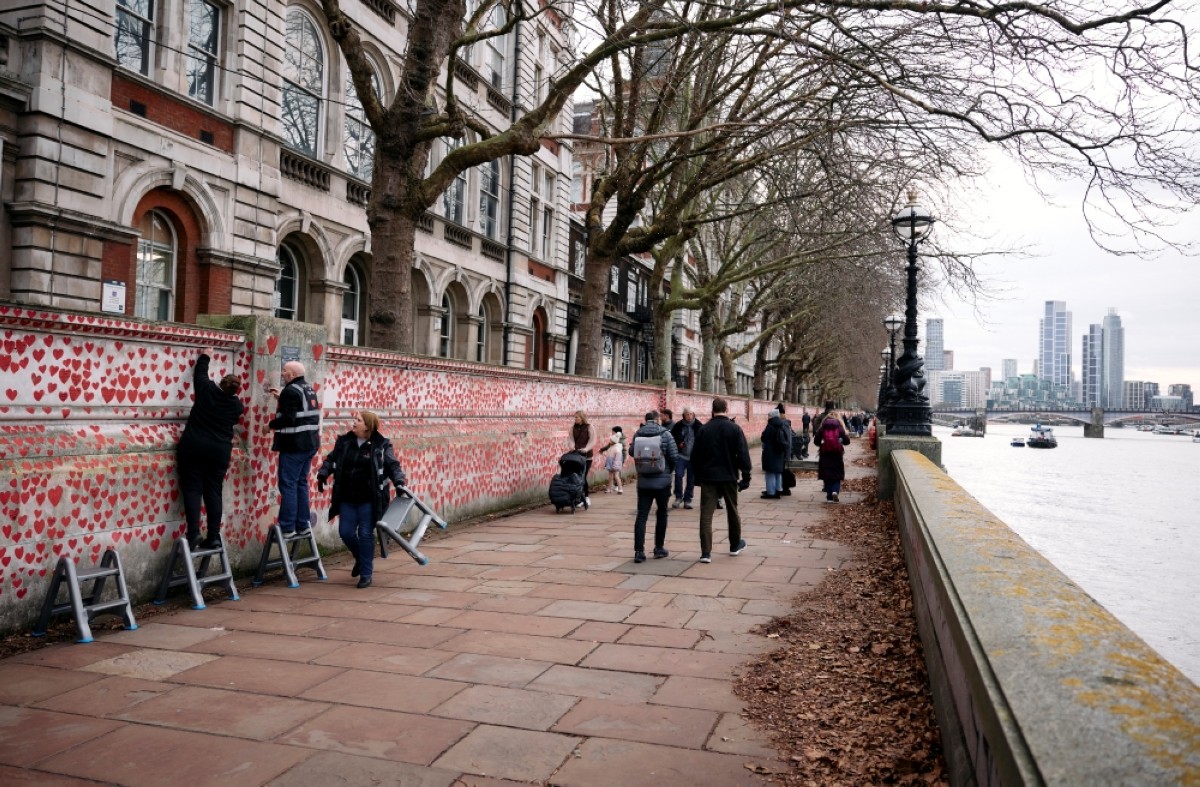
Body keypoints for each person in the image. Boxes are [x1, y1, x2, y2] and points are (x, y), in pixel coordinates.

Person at [316, 411, 406, 588]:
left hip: (369, 499)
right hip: (347, 498)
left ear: (368, 426)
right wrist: (323, 473)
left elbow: (392, 464)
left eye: (358, 420)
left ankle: (366, 573)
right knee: (346, 532)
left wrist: (399, 481)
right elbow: (332, 459)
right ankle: (361, 557)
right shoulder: (344, 442)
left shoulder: (381, 445)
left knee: (365, 534)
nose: (354, 422)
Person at [177, 348, 245, 550]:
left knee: (192, 489)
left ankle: (193, 533)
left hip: (194, 447)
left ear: (221, 382)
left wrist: (206, 355)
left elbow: (200, 373)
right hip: (219, 452)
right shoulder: (237, 407)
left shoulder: (206, 390)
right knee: (214, 492)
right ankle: (214, 536)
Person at [691, 397, 752, 563]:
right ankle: (734, 544)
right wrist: (746, 476)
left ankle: (705, 552)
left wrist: (697, 477)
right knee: (732, 509)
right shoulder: (734, 429)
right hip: (729, 475)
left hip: (708, 476)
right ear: (726, 408)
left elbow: (695, 456)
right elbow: (743, 454)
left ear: (713, 409)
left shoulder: (704, 429)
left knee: (706, 514)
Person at [268, 360, 321, 536]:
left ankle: (287, 527)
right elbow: (300, 410)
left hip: (294, 446)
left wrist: (270, 425)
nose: (282, 373)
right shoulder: (308, 388)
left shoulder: (290, 391)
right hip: (310, 444)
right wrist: (281, 398)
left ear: (292, 374)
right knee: (301, 483)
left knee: (288, 484)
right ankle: (303, 524)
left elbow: (289, 419)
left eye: (284, 371)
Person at [630, 411, 678, 563]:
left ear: (645, 421)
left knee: (642, 515)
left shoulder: (638, 434)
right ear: (657, 420)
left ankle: (639, 552)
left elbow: (632, 452)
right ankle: (658, 548)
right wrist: (669, 471)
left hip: (644, 481)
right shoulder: (666, 434)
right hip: (662, 482)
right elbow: (674, 455)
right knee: (662, 513)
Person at [814, 414, 851, 502]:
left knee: (826, 475)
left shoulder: (822, 428)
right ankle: (835, 491)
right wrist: (840, 441)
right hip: (837, 454)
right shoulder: (839, 428)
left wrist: (822, 444)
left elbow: (816, 441)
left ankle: (829, 497)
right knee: (836, 474)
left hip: (825, 454)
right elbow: (847, 441)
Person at [670, 407, 702, 509]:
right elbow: (672, 439)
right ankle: (678, 497)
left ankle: (688, 499)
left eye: (691, 414)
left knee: (691, 479)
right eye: (687, 414)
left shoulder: (699, 426)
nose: (689, 416)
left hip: (693, 457)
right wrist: (679, 443)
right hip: (681, 456)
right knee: (678, 475)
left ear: (694, 414)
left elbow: (703, 440)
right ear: (684, 415)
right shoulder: (678, 426)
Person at [759, 408, 791, 499]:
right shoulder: (783, 424)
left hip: (770, 452)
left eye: (768, 415)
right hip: (780, 452)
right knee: (778, 472)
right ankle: (778, 490)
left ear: (771, 416)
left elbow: (764, 438)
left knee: (770, 472)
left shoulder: (770, 425)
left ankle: (771, 492)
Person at [568, 410, 597, 507]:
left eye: (577, 417)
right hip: (576, 456)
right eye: (574, 417)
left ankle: (587, 497)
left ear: (582, 418)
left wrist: (586, 449)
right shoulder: (572, 428)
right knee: (576, 477)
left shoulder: (589, 427)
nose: (575, 419)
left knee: (583, 476)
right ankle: (579, 498)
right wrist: (572, 447)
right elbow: (571, 439)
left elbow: (592, 440)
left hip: (587, 456)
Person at [602, 425, 626, 494]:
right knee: (610, 477)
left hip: (615, 465)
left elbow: (618, 459)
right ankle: (609, 488)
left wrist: (615, 466)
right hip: (610, 464)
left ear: (614, 441)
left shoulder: (617, 448)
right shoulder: (611, 447)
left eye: (611, 440)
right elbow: (609, 456)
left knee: (616, 476)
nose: (609, 441)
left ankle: (620, 488)